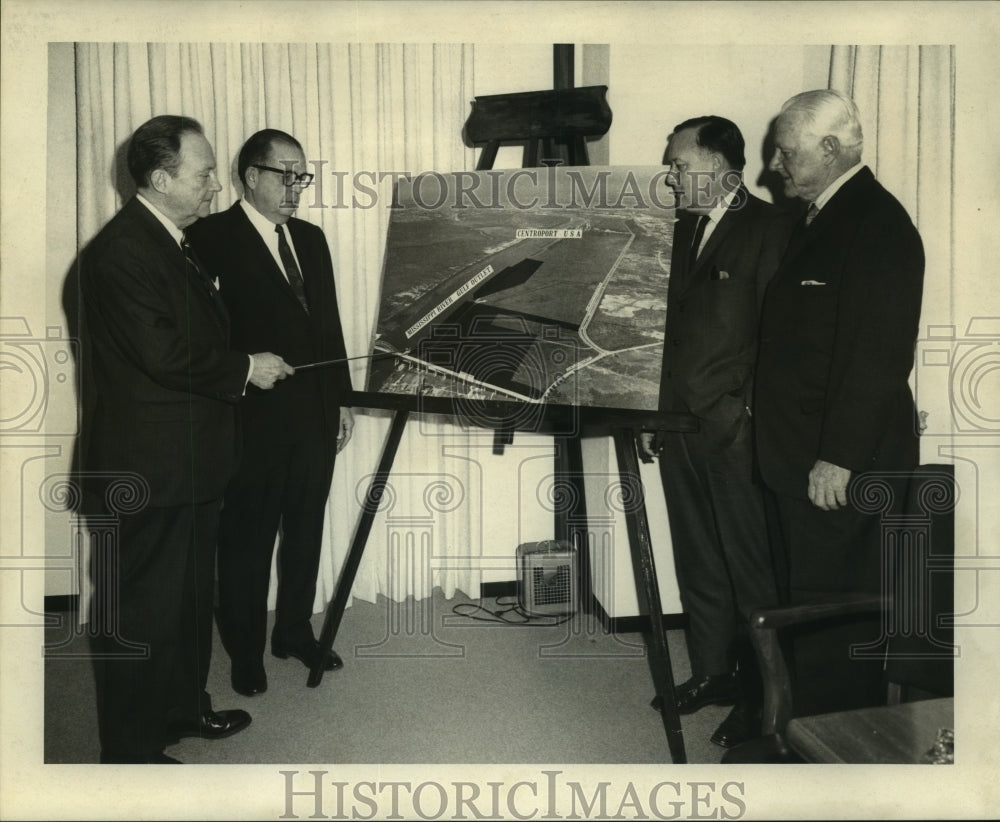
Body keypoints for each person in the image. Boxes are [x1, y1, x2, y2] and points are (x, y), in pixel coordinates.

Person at [81, 115, 293, 763]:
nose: (212, 187)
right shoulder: (122, 253)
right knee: (141, 615)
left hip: (189, 466)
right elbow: (165, 355)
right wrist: (246, 368)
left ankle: (181, 711)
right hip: (147, 471)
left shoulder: (170, 239)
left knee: (185, 603)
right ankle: (132, 753)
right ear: (160, 178)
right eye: (203, 175)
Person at [754, 89, 924, 715]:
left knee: (837, 619)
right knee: (806, 605)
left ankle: (834, 753)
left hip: (839, 463)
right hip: (797, 453)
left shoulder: (879, 224)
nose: (775, 164)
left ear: (831, 149)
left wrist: (840, 457)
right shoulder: (823, 217)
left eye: (787, 152)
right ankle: (800, 733)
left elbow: (878, 355)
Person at [640, 116, 791, 748]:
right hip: (678, 426)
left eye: (680, 165)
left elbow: (780, 338)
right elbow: (662, 332)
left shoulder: (772, 230)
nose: (671, 176)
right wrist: (652, 412)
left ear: (723, 170)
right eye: (671, 166)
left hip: (735, 430)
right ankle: (711, 673)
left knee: (751, 570)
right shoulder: (676, 232)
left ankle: (764, 699)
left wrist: (747, 414)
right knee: (698, 557)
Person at [187, 129, 354, 698]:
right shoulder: (207, 238)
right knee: (246, 541)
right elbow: (199, 340)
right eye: (284, 174)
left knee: (305, 531)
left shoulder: (311, 238)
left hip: (314, 417)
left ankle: (292, 632)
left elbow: (328, 324)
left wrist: (343, 401)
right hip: (248, 419)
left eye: (301, 176)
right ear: (250, 175)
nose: (294, 187)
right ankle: (245, 651)